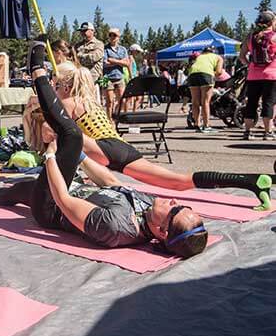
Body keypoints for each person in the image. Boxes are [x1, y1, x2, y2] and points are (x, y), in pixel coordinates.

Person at [0, 64, 208, 258]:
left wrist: (51, 155)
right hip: (72, 185)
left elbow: (63, 200)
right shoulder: (150, 208)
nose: (174, 201)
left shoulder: (115, 228)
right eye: (183, 206)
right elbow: (111, 182)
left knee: (71, 136)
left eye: (175, 209)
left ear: (162, 232)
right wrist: (80, 158)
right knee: (22, 191)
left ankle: (38, 75)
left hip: (52, 207)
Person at [48, 53, 273, 211]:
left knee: (66, 136)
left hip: (104, 150)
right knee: (178, 182)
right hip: (118, 148)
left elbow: (53, 126)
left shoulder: (69, 103)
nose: (53, 91)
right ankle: (251, 181)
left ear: (66, 87)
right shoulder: (89, 101)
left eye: (56, 86)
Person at [239, 11, 276, 141]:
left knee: (252, 103)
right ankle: (268, 132)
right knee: (268, 103)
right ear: (271, 22)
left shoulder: (251, 37)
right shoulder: (274, 36)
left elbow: (242, 56)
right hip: (271, 75)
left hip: (253, 75)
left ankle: (247, 131)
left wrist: (250, 65)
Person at [187, 46, 223, 133]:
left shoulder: (199, 56)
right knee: (205, 102)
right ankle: (206, 125)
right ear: (214, 52)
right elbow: (219, 72)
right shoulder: (218, 57)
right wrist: (213, 74)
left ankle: (197, 124)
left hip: (192, 74)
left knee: (195, 101)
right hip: (206, 75)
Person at [102, 28, 131, 119]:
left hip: (119, 77)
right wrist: (120, 61)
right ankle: (110, 121)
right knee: (109, 101)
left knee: (123, 100)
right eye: (110, 35)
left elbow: (127, 63)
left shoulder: (123, 49)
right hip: (107, 78)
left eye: (114, 35)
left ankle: (115, 116)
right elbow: (104, 64)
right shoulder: (105, 49)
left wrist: (112, 60)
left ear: (118, 37)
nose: (112, 37)